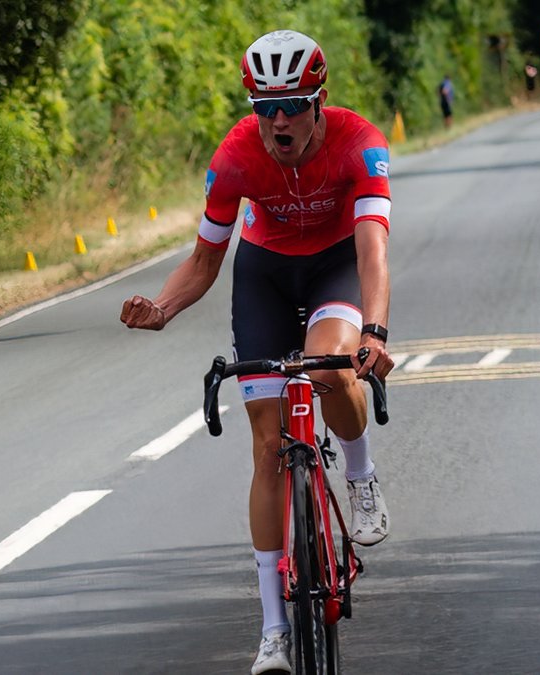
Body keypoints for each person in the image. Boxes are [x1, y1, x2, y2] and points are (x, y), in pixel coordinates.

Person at [120, 29, 395, 675]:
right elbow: (205, 258)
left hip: (334, 267)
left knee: (330, 368)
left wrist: (375, 333)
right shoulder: (238, 155)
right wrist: (162, 308)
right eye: (263, 105)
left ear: (318, 100)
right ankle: (273, 630)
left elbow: (372, 250)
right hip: (266, 273)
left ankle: (359, 473)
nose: (277, 119)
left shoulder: (361, 143)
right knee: (269, 448)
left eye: (292, 103)